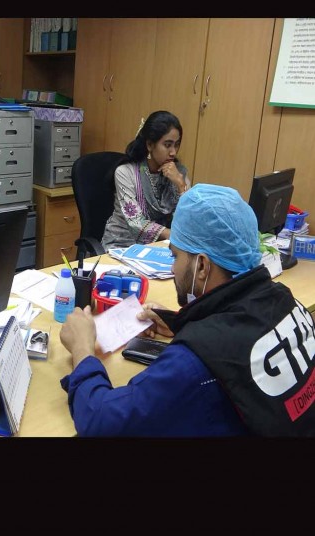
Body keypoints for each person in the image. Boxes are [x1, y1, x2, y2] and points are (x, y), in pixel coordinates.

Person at [59, 184, 315, 437]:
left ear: (202, 266)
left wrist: (82, 349)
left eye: (175, 256)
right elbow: (237, 328)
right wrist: (180, 323)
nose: (172, 269)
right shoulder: (284, 300)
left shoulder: (190, 366)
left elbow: (101, 423)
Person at [101, 110, 191, 250]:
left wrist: (180, 185)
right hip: (122, 245)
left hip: (161, 246)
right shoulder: (126, 173)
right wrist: (174, 236)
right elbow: (136, 222)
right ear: (149, 145)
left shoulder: (178, 173)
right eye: (167, 145)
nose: (173, 152)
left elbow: (190, 219)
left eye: (176, 144)